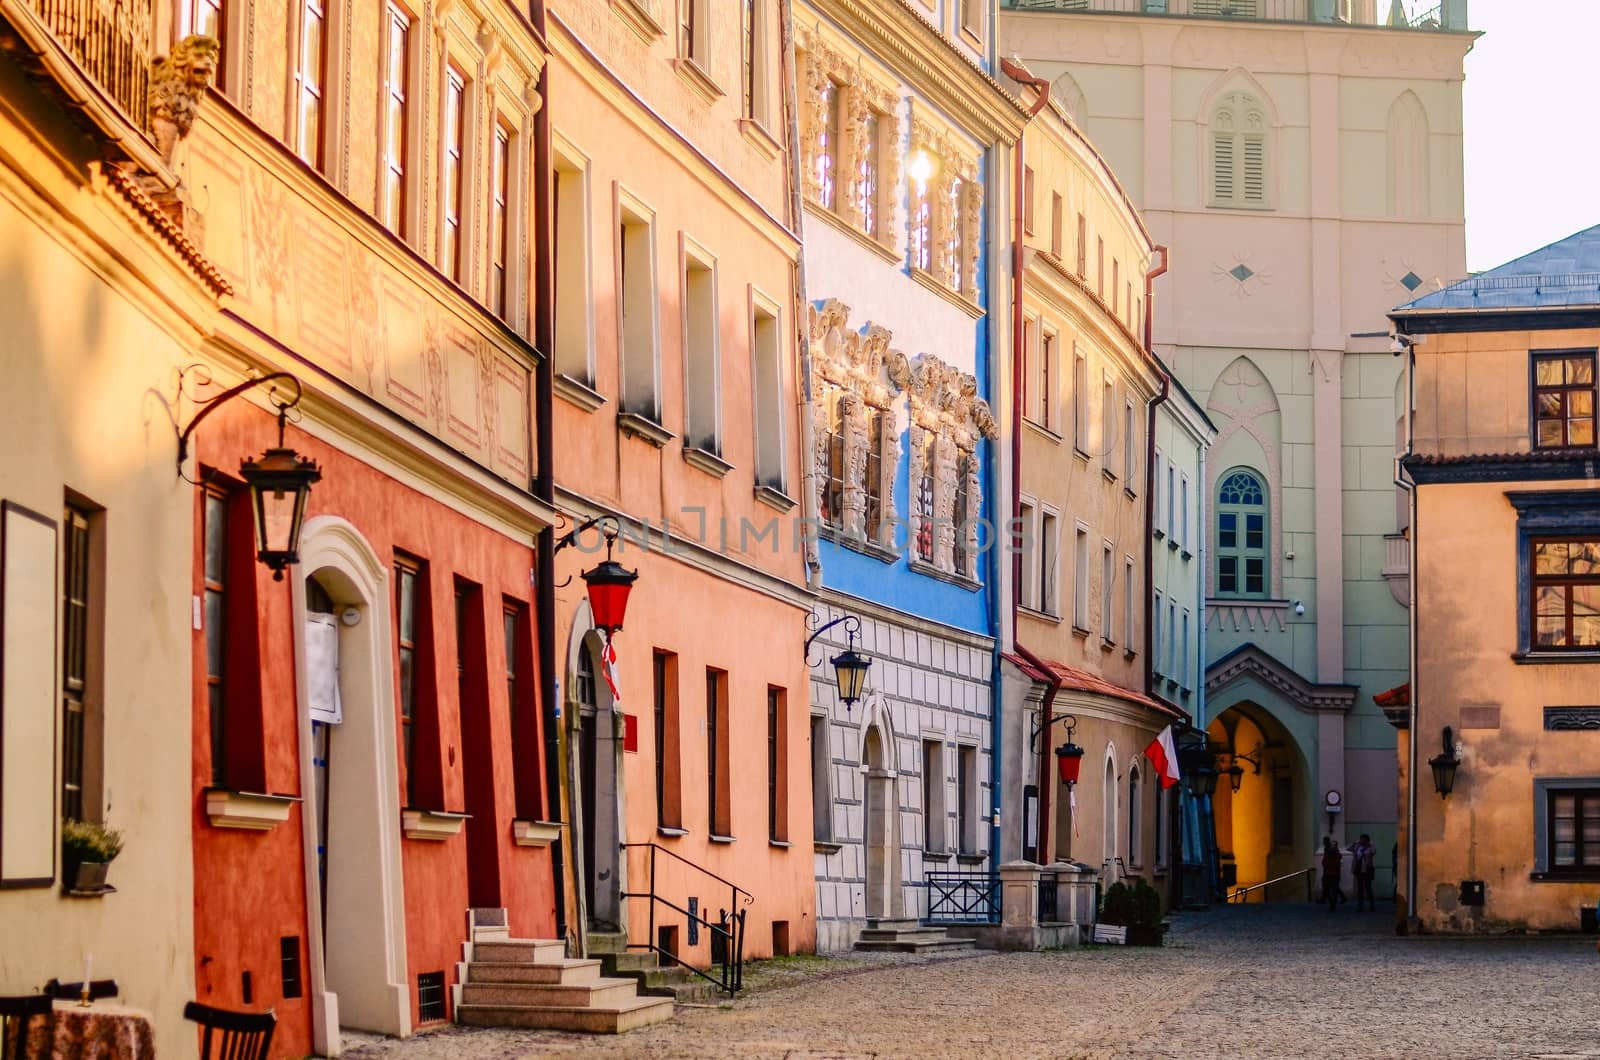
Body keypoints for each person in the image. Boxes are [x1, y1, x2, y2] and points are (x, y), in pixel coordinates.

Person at [1350, 833, 1377, 911]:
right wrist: (1355, 843)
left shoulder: (1370, 847)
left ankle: (1372, 905)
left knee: (1368, 888)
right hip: (1359, 869)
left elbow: (1374, 851)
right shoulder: (1357, 847)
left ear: (1366, 840)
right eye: (1360, 839)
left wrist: (1370, 844)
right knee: (1360, 888)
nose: (1361, 840)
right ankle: (1360, 905)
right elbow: (1348, 848)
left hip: (1367, 869)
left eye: (1363, 839)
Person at [1320, 836, 1346, 911]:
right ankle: (1334, 900)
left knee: (1329, 887)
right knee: (1333, 887)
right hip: (1332, 872)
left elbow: (1326, 860)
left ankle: (1331, 901)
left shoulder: (1330, 850)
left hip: (1330, 872)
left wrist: (1326, 864)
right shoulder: (1330, 850)